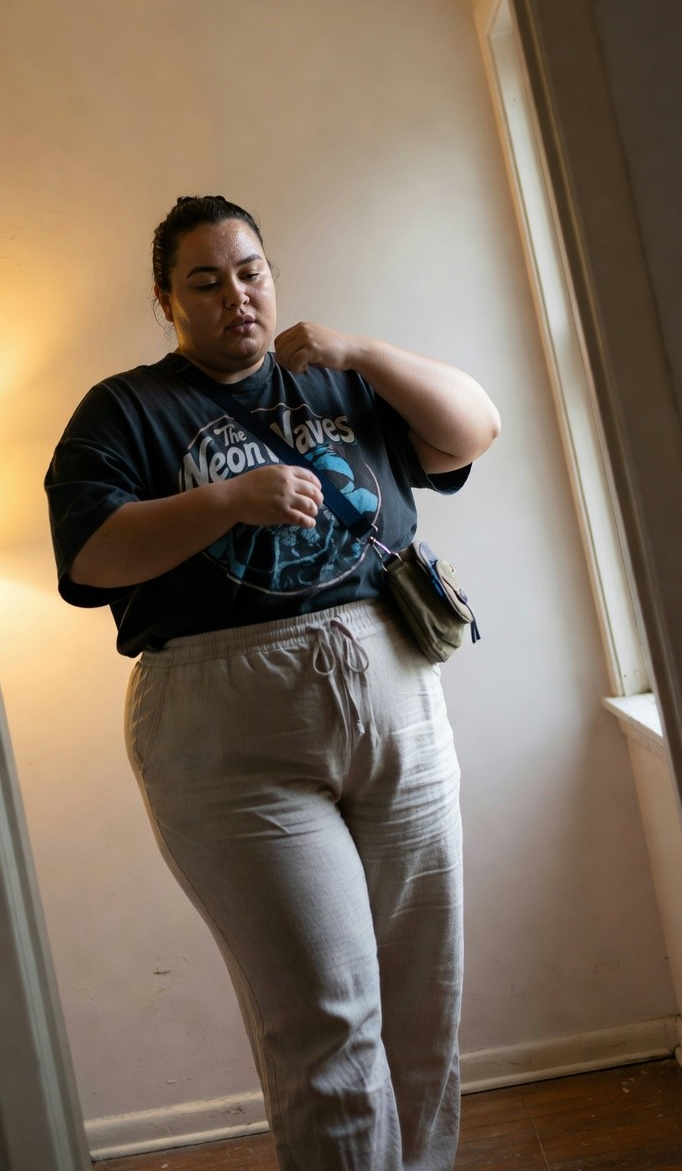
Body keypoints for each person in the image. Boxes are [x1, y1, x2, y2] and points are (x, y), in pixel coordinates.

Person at [45, 195, 500, 1171]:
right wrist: (225, 501)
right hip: (229, 736)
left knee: (427, 997)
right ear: (166, 299)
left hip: (397, 695)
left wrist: (364, 353)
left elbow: (474, 430)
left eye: (249, 271)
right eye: (204, 281)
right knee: (329, 1022)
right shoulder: (125, 410)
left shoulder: (335, 379)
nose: (235, 296)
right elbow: (90, 558)